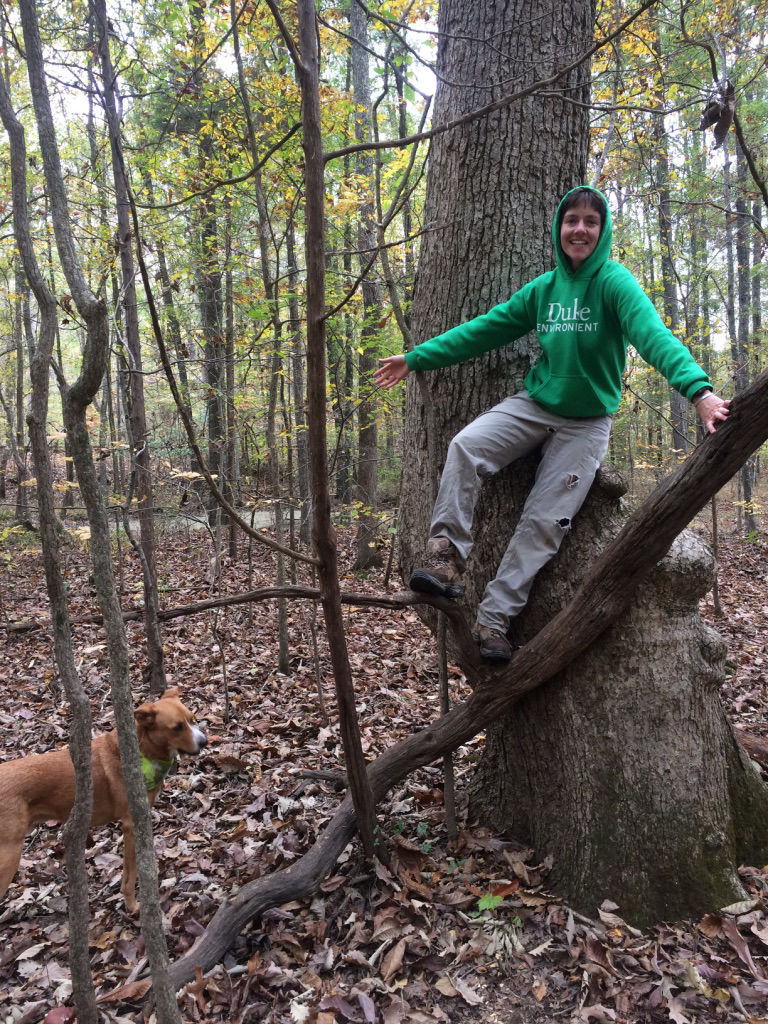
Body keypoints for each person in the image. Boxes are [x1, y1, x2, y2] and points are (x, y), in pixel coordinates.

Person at [374, 185, 730, 663]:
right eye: (572, 220)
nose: (580, 229)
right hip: (535, 404)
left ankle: (493, 622)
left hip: (586, 424)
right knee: (465, 445)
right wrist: (416, 358)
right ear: (559, 228)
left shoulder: (614, 283)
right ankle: (444, 557)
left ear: (602, 231)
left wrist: (700, 392)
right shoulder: (543, 290)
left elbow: (653, 336)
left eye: (590, 221)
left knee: (544, 522)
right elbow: (483, 329)